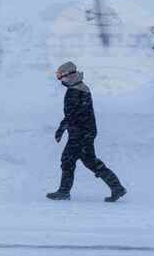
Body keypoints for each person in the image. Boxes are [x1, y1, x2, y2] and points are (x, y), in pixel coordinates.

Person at [47, 62, 127, 202]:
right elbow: (73, 114)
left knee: (67, 160)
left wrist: (62, 128)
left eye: (61, 77)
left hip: (80, 133)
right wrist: (65, 127)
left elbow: (73, 115)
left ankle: (64, 191)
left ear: (70, 75)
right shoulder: (79, 88)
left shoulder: (76, 91)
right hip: (84, 131)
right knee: (90, 161)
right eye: (58, 76)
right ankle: (117, 187)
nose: (60, 80)